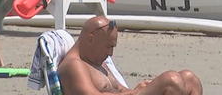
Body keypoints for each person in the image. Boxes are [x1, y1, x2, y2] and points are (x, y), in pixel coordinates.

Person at [58, 16, 203, 95]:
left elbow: (120, 89)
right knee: (171, 80)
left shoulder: (95, 61)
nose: (110, 53)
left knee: (190, 78)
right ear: (91, 38)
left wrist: (139, 88)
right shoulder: (74, 65)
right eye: (108, 47)